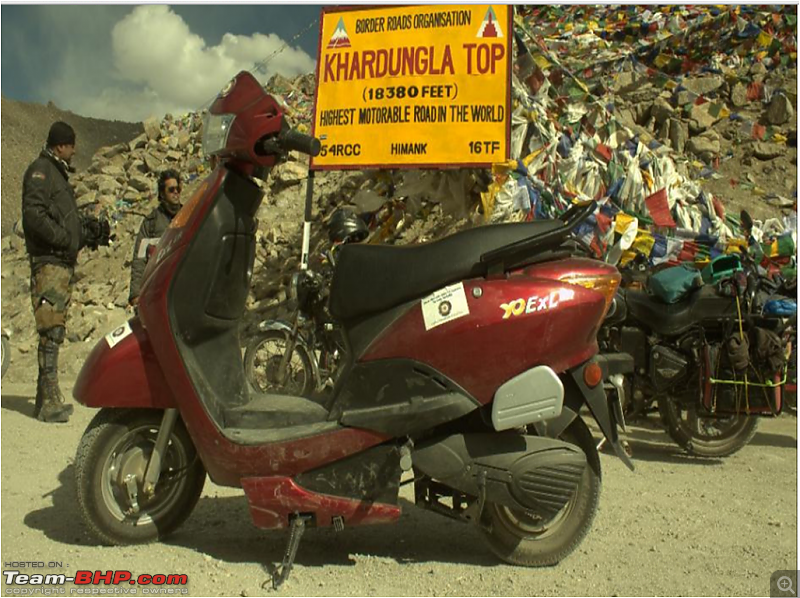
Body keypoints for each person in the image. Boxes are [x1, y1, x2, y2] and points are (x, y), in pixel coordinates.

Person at [22, 121, 110, 423]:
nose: (74, 153)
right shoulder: (41, 171)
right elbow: (33, 216)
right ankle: (49, 402)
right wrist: (63, 239)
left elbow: (61, 220)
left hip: (59, 262)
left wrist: (83, 234)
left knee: (54, 328)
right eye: (72, 146)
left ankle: (43, 398)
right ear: (61, 145)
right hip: (49, 263)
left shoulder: (55, 174)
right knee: (51, 329)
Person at [128, 169, 183, 306]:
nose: (176, 192)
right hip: (160, 289)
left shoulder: (189, 215)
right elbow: (139, 260)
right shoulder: (150, 224)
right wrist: (135, 294)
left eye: (178, 189)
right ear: (162, 194)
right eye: (171, 189)